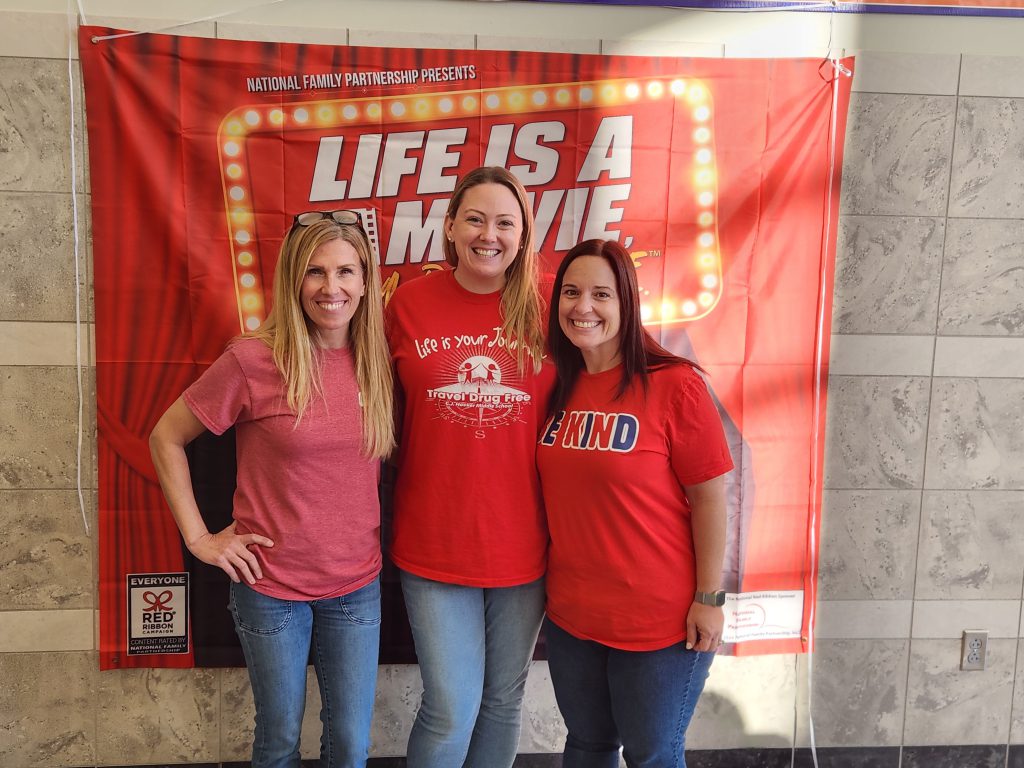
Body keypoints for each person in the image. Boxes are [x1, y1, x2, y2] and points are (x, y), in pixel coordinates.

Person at [149, 211, 394, 768]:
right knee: (279, 739)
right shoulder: (254, 359)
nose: (331, 288)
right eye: (314, 272)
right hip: (271, 586)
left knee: (351, 745)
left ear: (365, 279)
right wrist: (200, 539)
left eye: (346, 272)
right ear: (292, 280)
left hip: (356, 585)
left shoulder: (377, 359)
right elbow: (165, 438)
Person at [536, 239, 734, 768]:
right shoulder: (558, 385)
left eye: (602, 294)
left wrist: (710, 599)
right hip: (574, 614)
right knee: (587, 746)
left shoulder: (675, 386)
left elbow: (712, 498)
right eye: (572, 293)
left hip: (658, 622)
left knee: (651, 755)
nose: (584, 307)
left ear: (627, 303)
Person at [385, 166, 554, 768]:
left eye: (505, 222)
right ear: (451, 227)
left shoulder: (551, 305)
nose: (490, 234)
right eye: (476, 219)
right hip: (434, 542)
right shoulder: (407, 304)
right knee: (451, 706)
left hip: (525, 546)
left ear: (523, 233)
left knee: (504, 701)